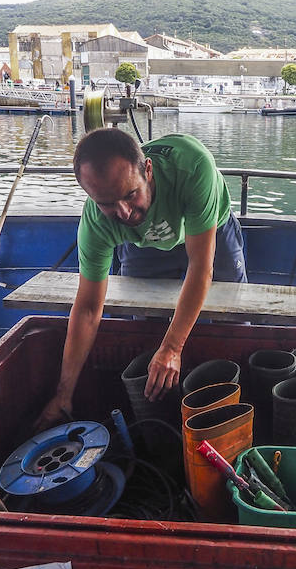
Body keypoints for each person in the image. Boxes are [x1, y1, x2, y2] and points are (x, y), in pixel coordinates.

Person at [38, 127, 245, 423]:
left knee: (236, 324)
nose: (123, 213)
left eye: (130, 195)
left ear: (147, 170)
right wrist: (63, 394)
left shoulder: (193, 166)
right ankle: (160, 416)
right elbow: (87, 309)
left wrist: (173, 347)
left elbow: (201, 268)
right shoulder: (97, 220)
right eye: (107, 203)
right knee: (146, 336)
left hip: (211, 232)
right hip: (145, 243)